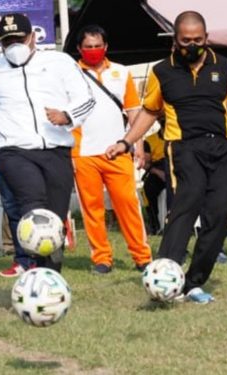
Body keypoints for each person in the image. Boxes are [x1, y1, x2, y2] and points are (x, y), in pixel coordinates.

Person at [106, 11, 227, 304]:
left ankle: (192, 283)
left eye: (198, 40)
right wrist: (127, 142)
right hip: (183, 148)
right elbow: (150, 111)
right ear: (175, 41)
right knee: (185, 208)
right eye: (186, 40)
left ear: (207, 38)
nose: (192, 45)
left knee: (218, 218)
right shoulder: (162, 71)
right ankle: (165, 277)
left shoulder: (225, 67)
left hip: (222, 149)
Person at [0, 13, 96, 272]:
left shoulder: (59, 62)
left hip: (56, 149)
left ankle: (49, 275)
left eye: (19, 38)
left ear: (32, 37)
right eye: (8, 41)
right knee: (33, 206)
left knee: (54, 216)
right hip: (14, 151)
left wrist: (67, 116)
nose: (14, 45)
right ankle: (33, 269)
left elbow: (86, 98)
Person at [72, 25, 152, 274]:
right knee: (92, 208)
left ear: (105, 47)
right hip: (83, 152)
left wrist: (137, 145)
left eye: (98, 46)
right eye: (88, 47)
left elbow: (134, 111)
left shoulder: (121, 72)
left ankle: (142, 256)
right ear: (79, 49)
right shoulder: (70, 73)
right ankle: (101, 258)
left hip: (118, 150)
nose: (93, 51)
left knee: (128, 204)